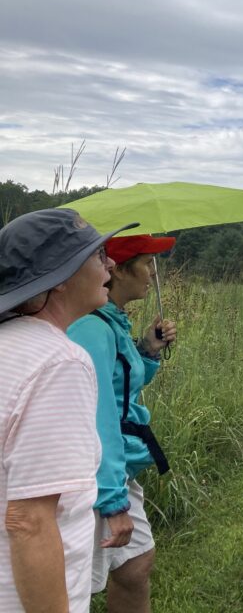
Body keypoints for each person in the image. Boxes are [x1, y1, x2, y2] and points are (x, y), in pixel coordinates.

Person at [0, 208, 135, 612]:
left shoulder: (10, 346)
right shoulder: (60, 363)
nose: (111, 262)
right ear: (59, 278)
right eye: (97, 255)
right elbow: (28, 520)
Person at [67, 234, 178, 613]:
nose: (151, 274)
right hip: (97, 474)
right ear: (119, 269)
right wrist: (112, 500)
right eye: (147, 263)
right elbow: (99, 418)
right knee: (74, 588)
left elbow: (122, 389)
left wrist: (148, 349)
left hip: (115, 470)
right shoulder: (92, 329)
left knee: (136, 564)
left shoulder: (111, 321)